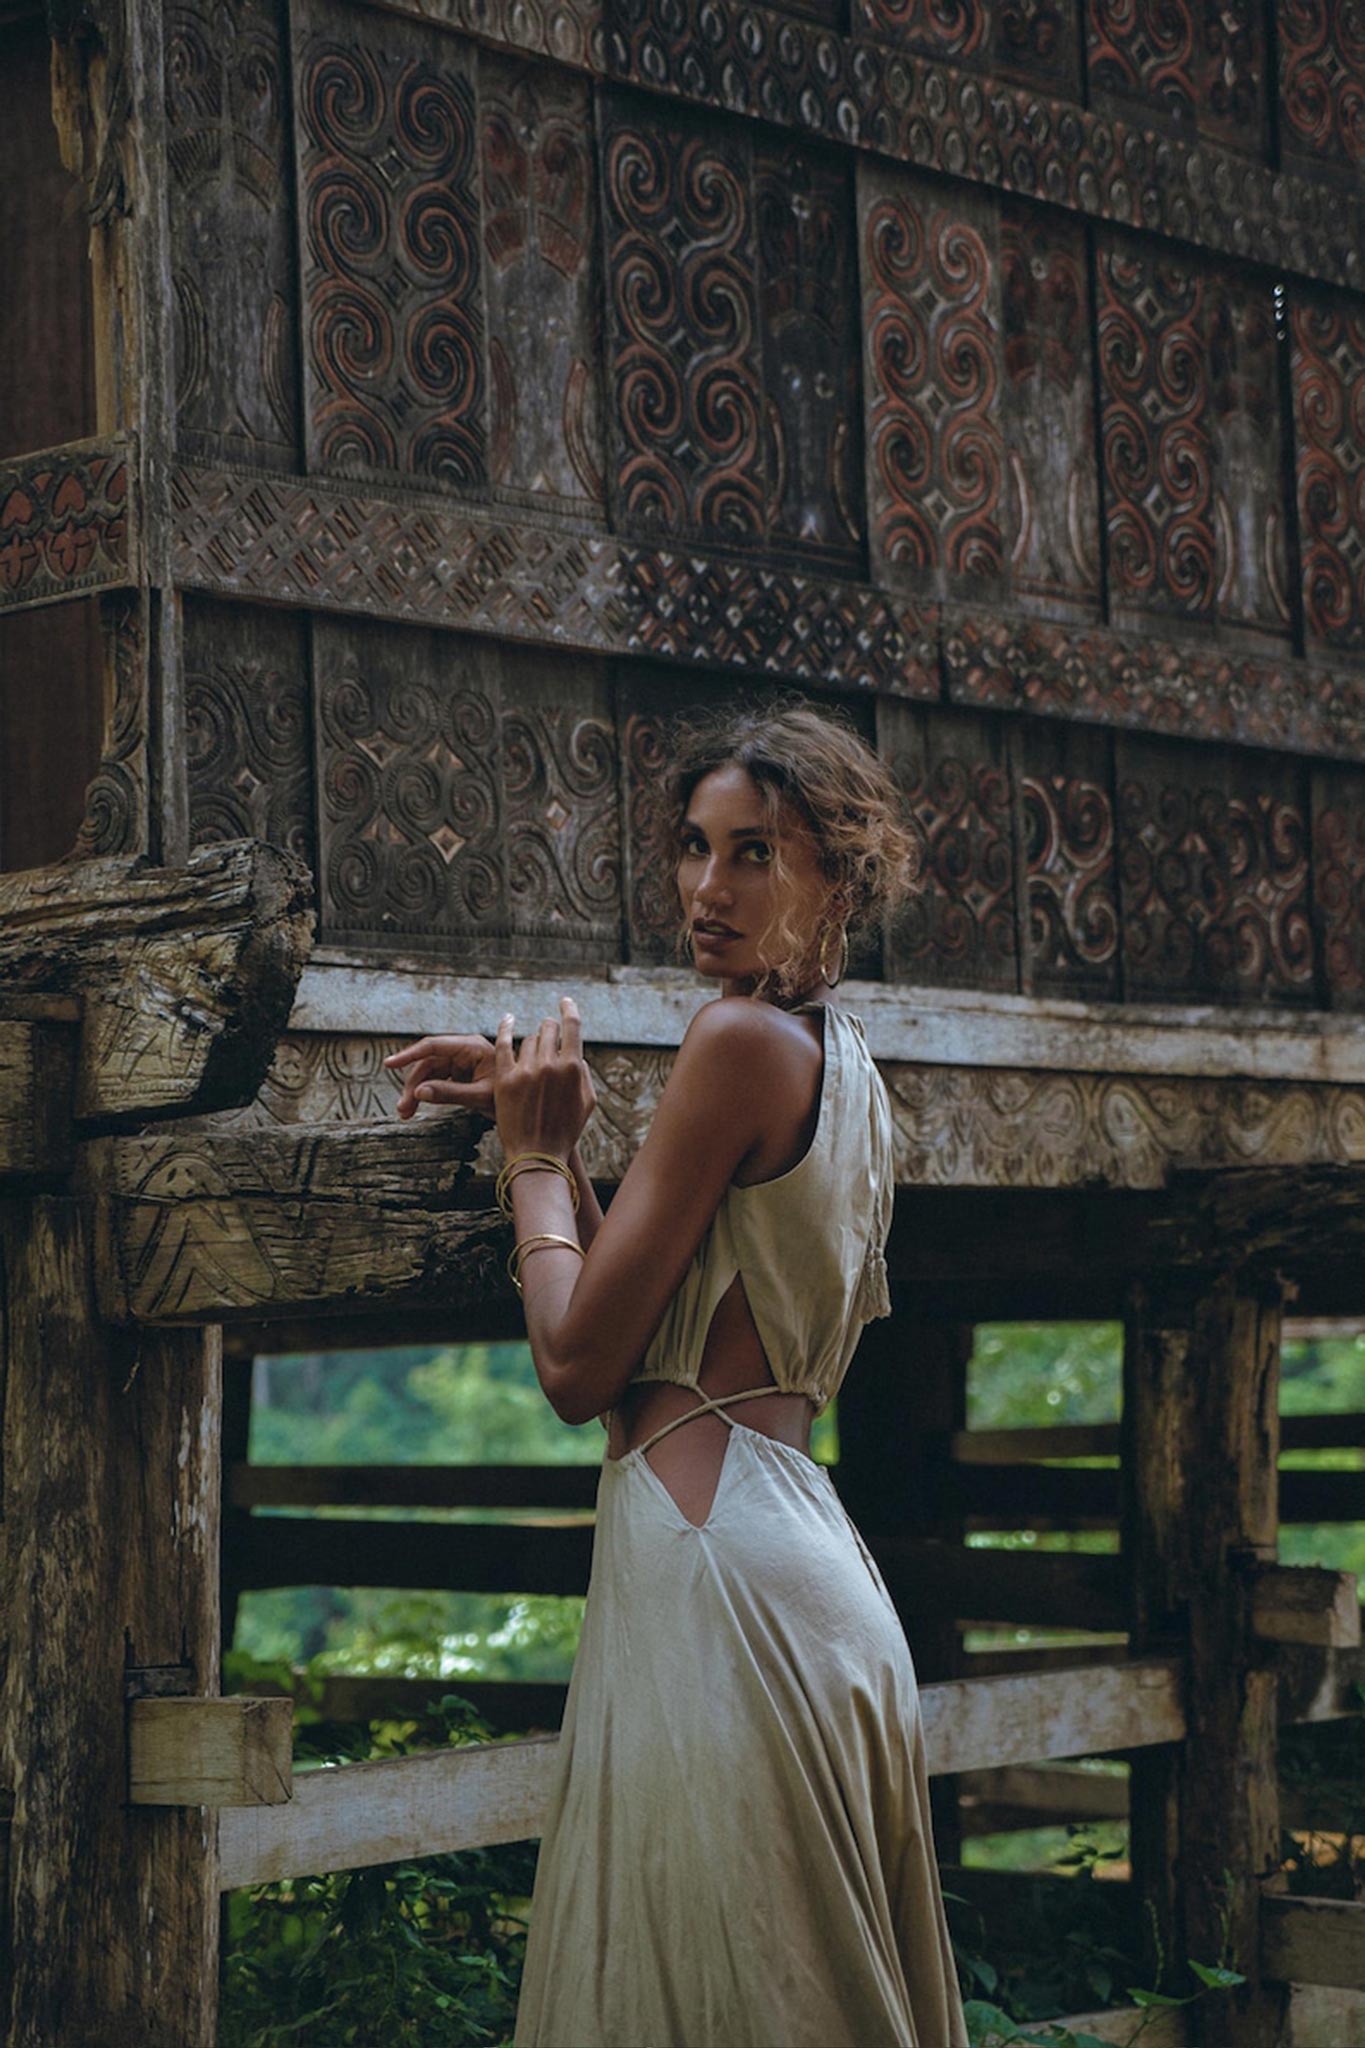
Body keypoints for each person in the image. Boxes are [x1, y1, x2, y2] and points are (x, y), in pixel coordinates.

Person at [385, 701, 968, 2048]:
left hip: (719, 1578)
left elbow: (582, 1365)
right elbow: (660, 1333)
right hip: (797, 1562)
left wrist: (528, 1160)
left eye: (755, 852)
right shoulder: (840, 1060)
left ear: (842, 872)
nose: (709, 888)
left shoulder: (734, 1043)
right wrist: (559, 1132)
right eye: (695, 848)